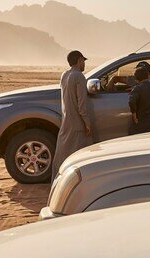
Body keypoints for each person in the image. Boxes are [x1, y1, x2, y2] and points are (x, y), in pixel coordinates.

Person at [54, 50, 93, 179]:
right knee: (79, 154)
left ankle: (58, 177)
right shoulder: (79, 77)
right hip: (77, 122)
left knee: (63, 152)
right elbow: (82, 104)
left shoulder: (64, 75)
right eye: (83, 61)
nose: (84, 64)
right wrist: (87, 122)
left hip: (66, 119)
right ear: (80, 60)